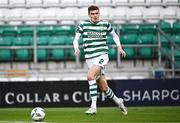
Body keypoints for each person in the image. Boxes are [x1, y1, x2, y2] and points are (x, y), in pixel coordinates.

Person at [73, 5, 127, 115]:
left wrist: (119, 47)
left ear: (99, 13)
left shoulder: (105, 24)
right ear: (89, 15)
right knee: (103, 87)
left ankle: (93, 107)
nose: (95, 15)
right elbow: (76, 39)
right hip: (89, 58)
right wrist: (76, 48)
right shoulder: (83, 25)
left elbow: (115, 35)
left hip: (102, 56)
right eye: (92, 14)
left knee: (90, 76)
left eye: (96, 13)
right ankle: (118, 101)